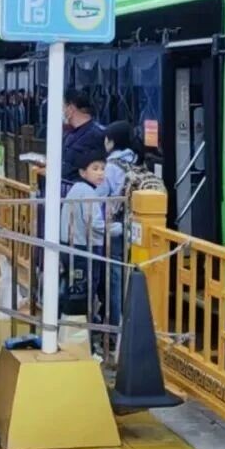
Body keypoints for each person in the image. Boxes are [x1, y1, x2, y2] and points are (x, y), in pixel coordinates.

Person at [97, 120, 136, 329]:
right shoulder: (137, 160)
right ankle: (132, 317)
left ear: (112, 141)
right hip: (134, 226)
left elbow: (99, 195)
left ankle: (116, 325)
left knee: (114, 276)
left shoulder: (111, 167)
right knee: (131, 273)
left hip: (115, 227)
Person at [61, 149, 107, 327]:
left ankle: (71, 330)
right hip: (85, 249)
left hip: (69, 246)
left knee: (72, 292)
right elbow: (95, 224)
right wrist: (118, 228)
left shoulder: (76, 189)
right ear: (82, 172)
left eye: (103, 168)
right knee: (85, 293)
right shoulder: (88, 192)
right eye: (95, 168)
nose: (100, 173)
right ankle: (83, 333)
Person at [61, 89, 104, 189]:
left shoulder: (97, 135)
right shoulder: (69, 134)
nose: (62, 111)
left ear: (70, 109)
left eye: (63, 107)